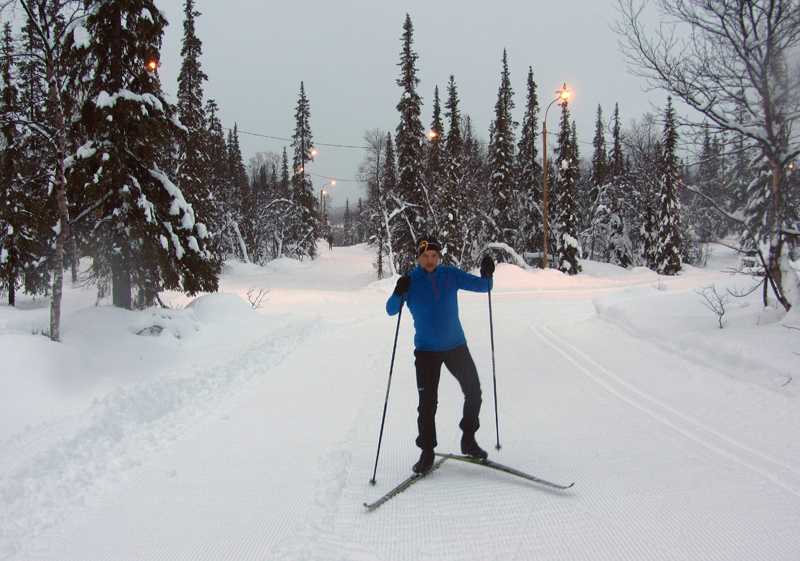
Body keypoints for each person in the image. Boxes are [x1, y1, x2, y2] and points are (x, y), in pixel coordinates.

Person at [386, 234, 495, 473]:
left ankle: (468, 439)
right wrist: (398, 291)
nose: (430, 260)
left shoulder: (450, 274)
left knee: (474, 392)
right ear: (418, 257)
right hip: (426, 351)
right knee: (427, 404)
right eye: (425, 256)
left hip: (456, 346)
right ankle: (427, 451)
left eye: (434, 255)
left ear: (439, 256)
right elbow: (391, 310)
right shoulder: (411, 281)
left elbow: (483, 286)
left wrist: (488, 274)